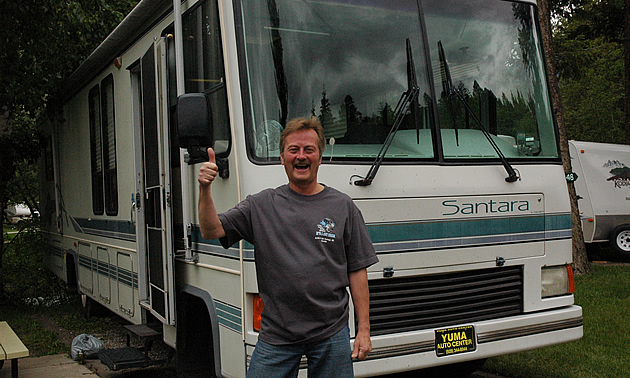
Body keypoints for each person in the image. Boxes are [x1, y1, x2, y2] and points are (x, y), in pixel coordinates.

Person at [197, 117, 378, 377]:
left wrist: (364, 330)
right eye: (293, 150)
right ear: (282, 157)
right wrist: (205, 189)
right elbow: (211, 229)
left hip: (331, 333)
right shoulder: (261, 205)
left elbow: (357, 270)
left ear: (320, 157)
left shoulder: (343, 206)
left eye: (309, 149)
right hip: (277, 335)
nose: (301, 156)